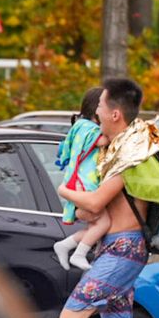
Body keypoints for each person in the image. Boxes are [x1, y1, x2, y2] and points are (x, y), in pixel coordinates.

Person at [55, 78, 159, 318]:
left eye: (101, 108)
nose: (96, 115)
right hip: (118, 248)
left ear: (115, 113)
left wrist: (61, 188)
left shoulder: (129, 157)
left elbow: (93, 203)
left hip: (123, 250)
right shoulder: (122, 148)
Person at [52, 87, 109, 271]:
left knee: (97, 227)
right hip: (84, 183)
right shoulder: (87, 127)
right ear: (96, 109)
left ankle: (65, 245)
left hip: (79, 182)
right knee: (104, 223)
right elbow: (102, 142)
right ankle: (78, 254)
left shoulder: (79, 125)